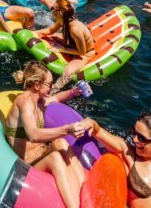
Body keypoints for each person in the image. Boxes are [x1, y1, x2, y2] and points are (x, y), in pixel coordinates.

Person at [5, 62, 91, 208]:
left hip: (40, 152)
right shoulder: (24, 101)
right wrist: (66, 129)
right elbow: (32, 135)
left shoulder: (40, 100)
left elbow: (56, 98)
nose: (52, 87)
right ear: (37, 85)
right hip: (26, 162)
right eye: (49, 84)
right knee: (55, 157)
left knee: (61, 143)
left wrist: (75, 91)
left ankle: (87, 194)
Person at [36, 0, 95, 82]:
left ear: (60, 12)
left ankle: (53, 91)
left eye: (53, 8)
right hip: (70, 45)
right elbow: (50, 30)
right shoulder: (63, 20)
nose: (51, 9)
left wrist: (61, 49)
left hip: (85, 54)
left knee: (67, 73)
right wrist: (32, 32)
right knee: (48, 36)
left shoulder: (75, 29)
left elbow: (82, 52)